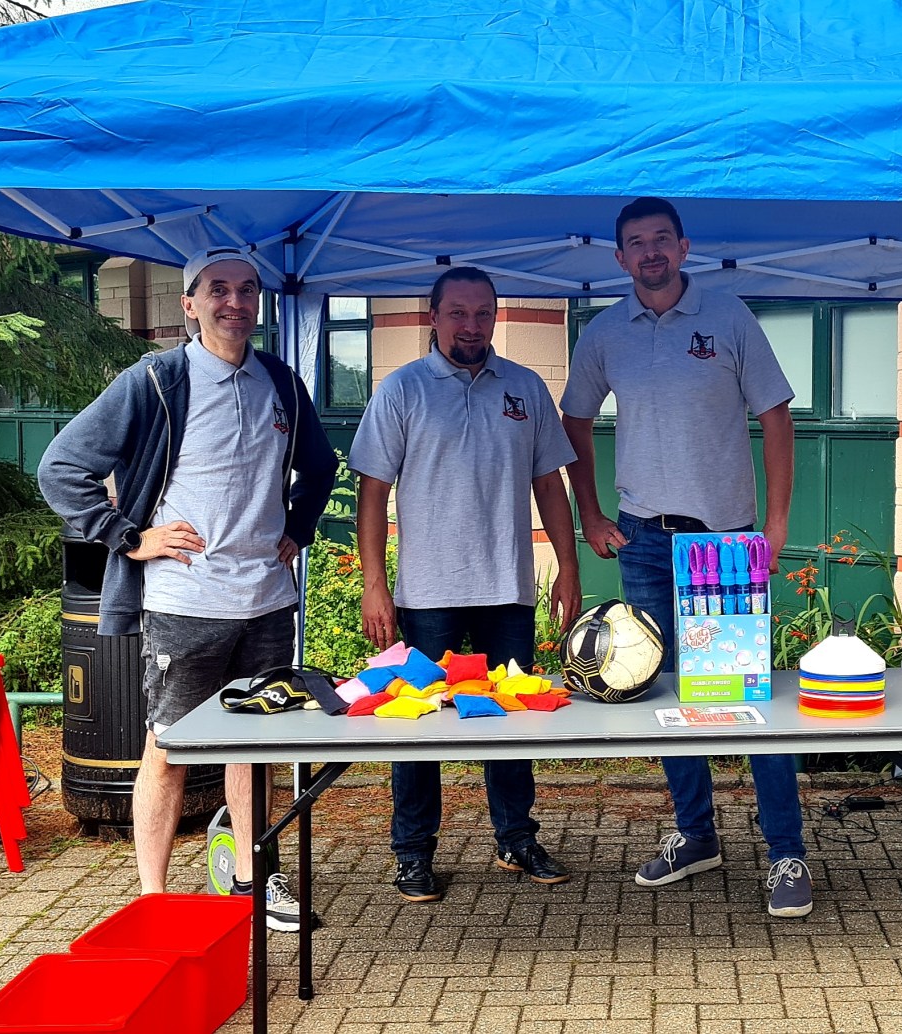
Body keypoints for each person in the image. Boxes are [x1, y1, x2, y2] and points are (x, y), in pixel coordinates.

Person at [38, 247, 337, 930]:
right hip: (184, 604)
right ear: (191, 303)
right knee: (168, 749)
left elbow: (319, 466)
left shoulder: (281, 384)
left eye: (248, 291)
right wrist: (128, 537)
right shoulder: (156, 381)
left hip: (267, 599)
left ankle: (251, 882)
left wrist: (299, 526)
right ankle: (153, 899)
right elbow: (62, 468)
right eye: (220, 290)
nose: (236, 302)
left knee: (254, 749)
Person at [560, 198, 811, 918]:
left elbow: (776, 416)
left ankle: (786, 850)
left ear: (683, 246)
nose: (649, 253)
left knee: (744, 701)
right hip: (642, 541)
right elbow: (573, 420)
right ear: (619, 258)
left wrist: (779, 522)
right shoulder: (605, 332)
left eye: (661, 240)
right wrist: (591, 515)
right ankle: (696, 836)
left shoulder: (728, 317)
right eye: (635, 243)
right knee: (664, 694)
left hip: (723, 545)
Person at [349, 266, 582, 903]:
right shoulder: (401, 392)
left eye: (483, 313)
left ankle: (516, 837)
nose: (472, 325)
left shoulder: (526, 388)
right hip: (426, 596)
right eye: (458, 312)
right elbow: (372, 494)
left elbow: (550, 485)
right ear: (433, 316)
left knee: (509, 720)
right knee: (417, 725)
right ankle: (413, 852)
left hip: (508, 589)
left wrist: (569, 566)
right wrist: (376, 585)